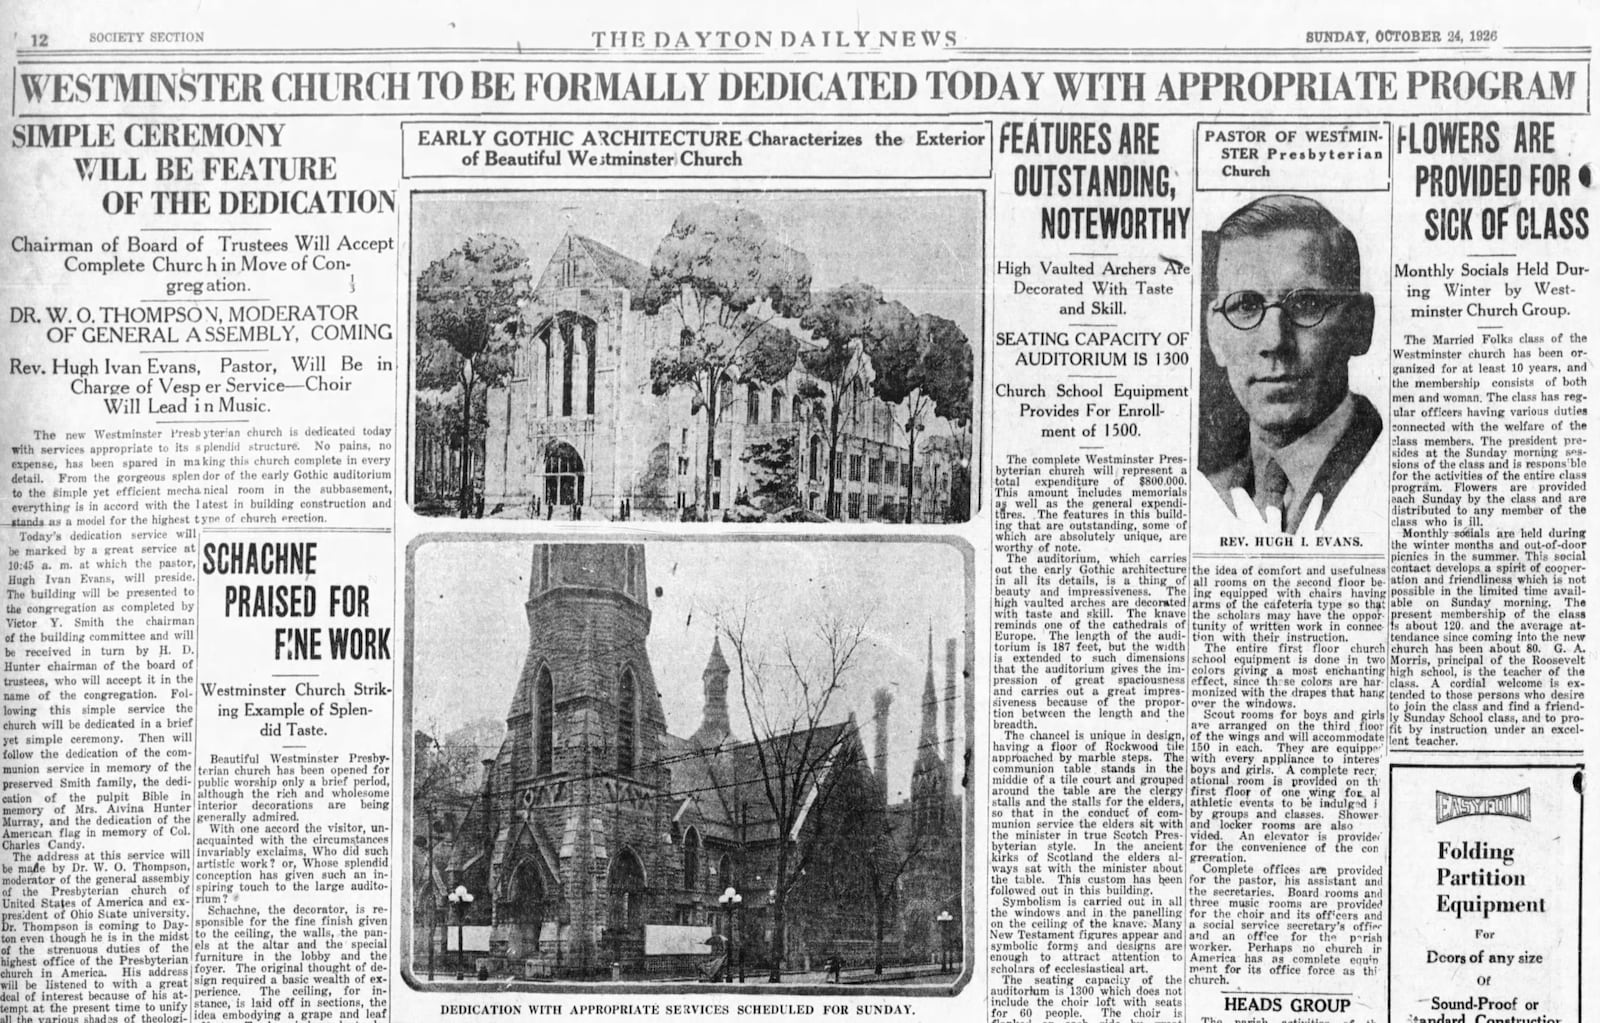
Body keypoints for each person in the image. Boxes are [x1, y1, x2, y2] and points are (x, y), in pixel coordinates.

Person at [1202, 194, 1382, 532]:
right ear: (1216, 334)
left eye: (1306, 303)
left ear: (1359, 325)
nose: (1274, 342)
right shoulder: (1207, 491)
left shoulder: (1383, 464)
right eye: (1246, 305)